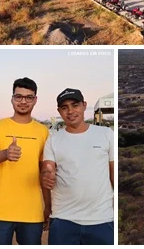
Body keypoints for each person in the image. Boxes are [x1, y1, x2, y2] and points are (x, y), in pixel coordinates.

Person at [41, 88, 114, 245]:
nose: (70, 111)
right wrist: (47, 175)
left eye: (75, 105)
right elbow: (47, 169)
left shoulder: (106, 134)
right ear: (59, 111)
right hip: (63, 219)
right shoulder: (53, 140)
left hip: (101, 219)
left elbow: (114, 174)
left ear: (84, 105)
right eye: (64, 107)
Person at [0, 77, 50, 244]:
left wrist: (48, 206)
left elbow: (44, 172)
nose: (23, 101)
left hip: (31, 213)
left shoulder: (43, 132)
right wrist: (5, 153)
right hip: (0, 211)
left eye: (29, 97)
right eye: (18, 96)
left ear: (35, 100)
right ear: (12, 99)